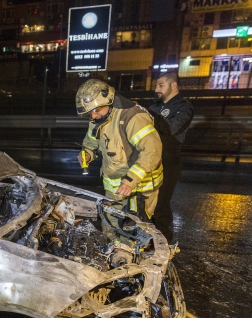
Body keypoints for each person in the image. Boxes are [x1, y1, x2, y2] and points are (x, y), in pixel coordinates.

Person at [76, 79, 163, 224]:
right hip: (115, 190)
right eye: (89, 113)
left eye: (95, 110)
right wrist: (88, 154)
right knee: (110, 230)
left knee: (133, 234)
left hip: (139, 189)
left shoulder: (132, 117)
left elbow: (152, 151)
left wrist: (131, 181)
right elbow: (92, 143)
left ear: (109, 100)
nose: (93, 116)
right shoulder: (98, 117)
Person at [149, 72, 194, 242]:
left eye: (160, 85)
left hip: (168, 161)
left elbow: (171, 130)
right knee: (147, 204)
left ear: (173, 85)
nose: (156, 89)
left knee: (161, 205)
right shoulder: (155, 107)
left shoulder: (184, 107)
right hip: (149, 160)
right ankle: (148, 242)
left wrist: (148, 118)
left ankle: (164, 245)